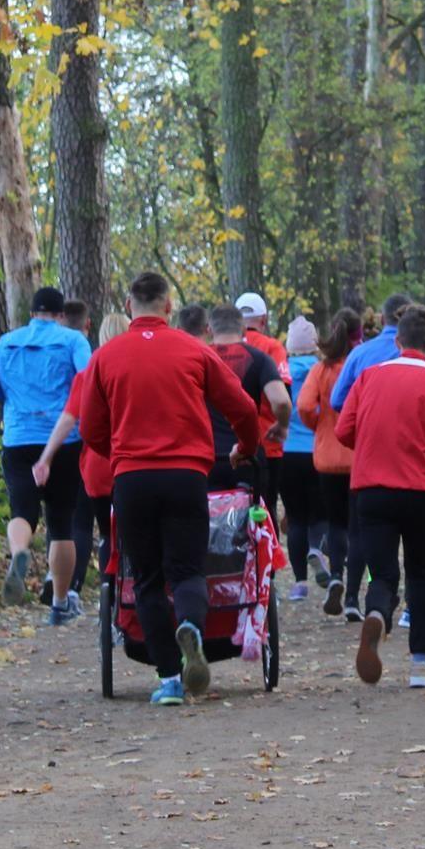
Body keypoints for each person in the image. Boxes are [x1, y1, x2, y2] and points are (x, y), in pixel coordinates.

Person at [77, 272, 263, 705]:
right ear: (167, 306)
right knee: (187, 571)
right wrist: (244, 449)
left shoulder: (105, 357)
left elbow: (89, 429)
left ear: (128, 306)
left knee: (146, 580)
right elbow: (242, 406)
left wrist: (120, 454)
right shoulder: (194, 351)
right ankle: (192, 629)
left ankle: (168, 681)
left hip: (132, 479)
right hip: (186, 476)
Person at [336, 307, 425, 688]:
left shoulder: (369, 376)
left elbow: (345, 430)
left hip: (371, 488)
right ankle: (421, 664)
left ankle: (377, 613)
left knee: (384, 571)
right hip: (420, 489)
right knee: (420, 572)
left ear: (396, 340)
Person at [0, 285, 93, 608]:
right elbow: (89, 379)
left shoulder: (8, 341)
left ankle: (20, 552)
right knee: (62, 523)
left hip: (18, 437)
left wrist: (12, 398)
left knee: (22, 509)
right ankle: (59, 602)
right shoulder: (73, 340)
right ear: (61, 315)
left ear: (31, 314)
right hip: (64, 440)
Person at [30, 310, 131, 625]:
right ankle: (130, 602)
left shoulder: (87, 375)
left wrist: (46, 456)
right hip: (134, 464)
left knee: (103, 535)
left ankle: (104, 597)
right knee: (132, 534)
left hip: (97, 468)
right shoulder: (136, 367)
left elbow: (69, 418)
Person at [298, 308, 362, 617]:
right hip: (358, 456)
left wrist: (321, 425)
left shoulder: (320, 370)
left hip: (326, 456)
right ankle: (352, 597)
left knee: (336, 523)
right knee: (358, 526)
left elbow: (304, 405)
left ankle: (336, 574)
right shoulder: (361, 365)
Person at [201, 305, 291, 490]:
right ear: (243, 329)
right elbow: (281, 401)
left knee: (209, 518)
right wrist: (281, 425)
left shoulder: (199, 358)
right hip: (248, 457)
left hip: (208, 458)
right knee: (258, 515)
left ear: (209, 330)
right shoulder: (259, 358)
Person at [329, 293, 425, 408]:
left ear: (382, 319)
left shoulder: (358, 354)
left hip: (371, 426)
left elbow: (337, 401)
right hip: (420, 425)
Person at [235, 292, 291, 523]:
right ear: (264, 319)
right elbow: (284, 390)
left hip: (230, 443)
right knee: (264, 514)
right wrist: (282, 424)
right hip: (267, 440)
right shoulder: (272, 346)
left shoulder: (222, 347)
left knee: (234, 510)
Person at [280, 316, 323, 601]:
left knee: (295, 518)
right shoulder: (322, 370)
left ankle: (299, 584)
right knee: (321, 513)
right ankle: (316, 549)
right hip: (317, 450)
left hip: (286, 451)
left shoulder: (280, 371)